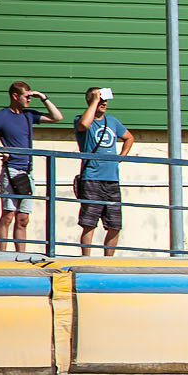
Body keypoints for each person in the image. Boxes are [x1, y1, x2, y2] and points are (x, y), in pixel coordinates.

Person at [0, 81, 63, 254]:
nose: (30, 100)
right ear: (15, 96)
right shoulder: (2, 116)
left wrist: (43, 98)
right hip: (11, 170)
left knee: (23, 218)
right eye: (26, 96)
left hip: (27, 172)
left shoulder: (28, 115)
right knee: (8, 215)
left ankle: (21, 256)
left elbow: (57, 117)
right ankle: (2, 255)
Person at [74, 87, 133, 257]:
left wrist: (121, 157)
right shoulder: (81, 119)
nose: (103, 103)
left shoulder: (112, 121)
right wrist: (94, 100)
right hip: (92, 177)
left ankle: (108, 260)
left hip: (111, 178)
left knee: (115, 224)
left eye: (105, 100)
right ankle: (86, 259)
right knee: (89, 222)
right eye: (100, 99)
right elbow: (84, 125)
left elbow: (129, 137)